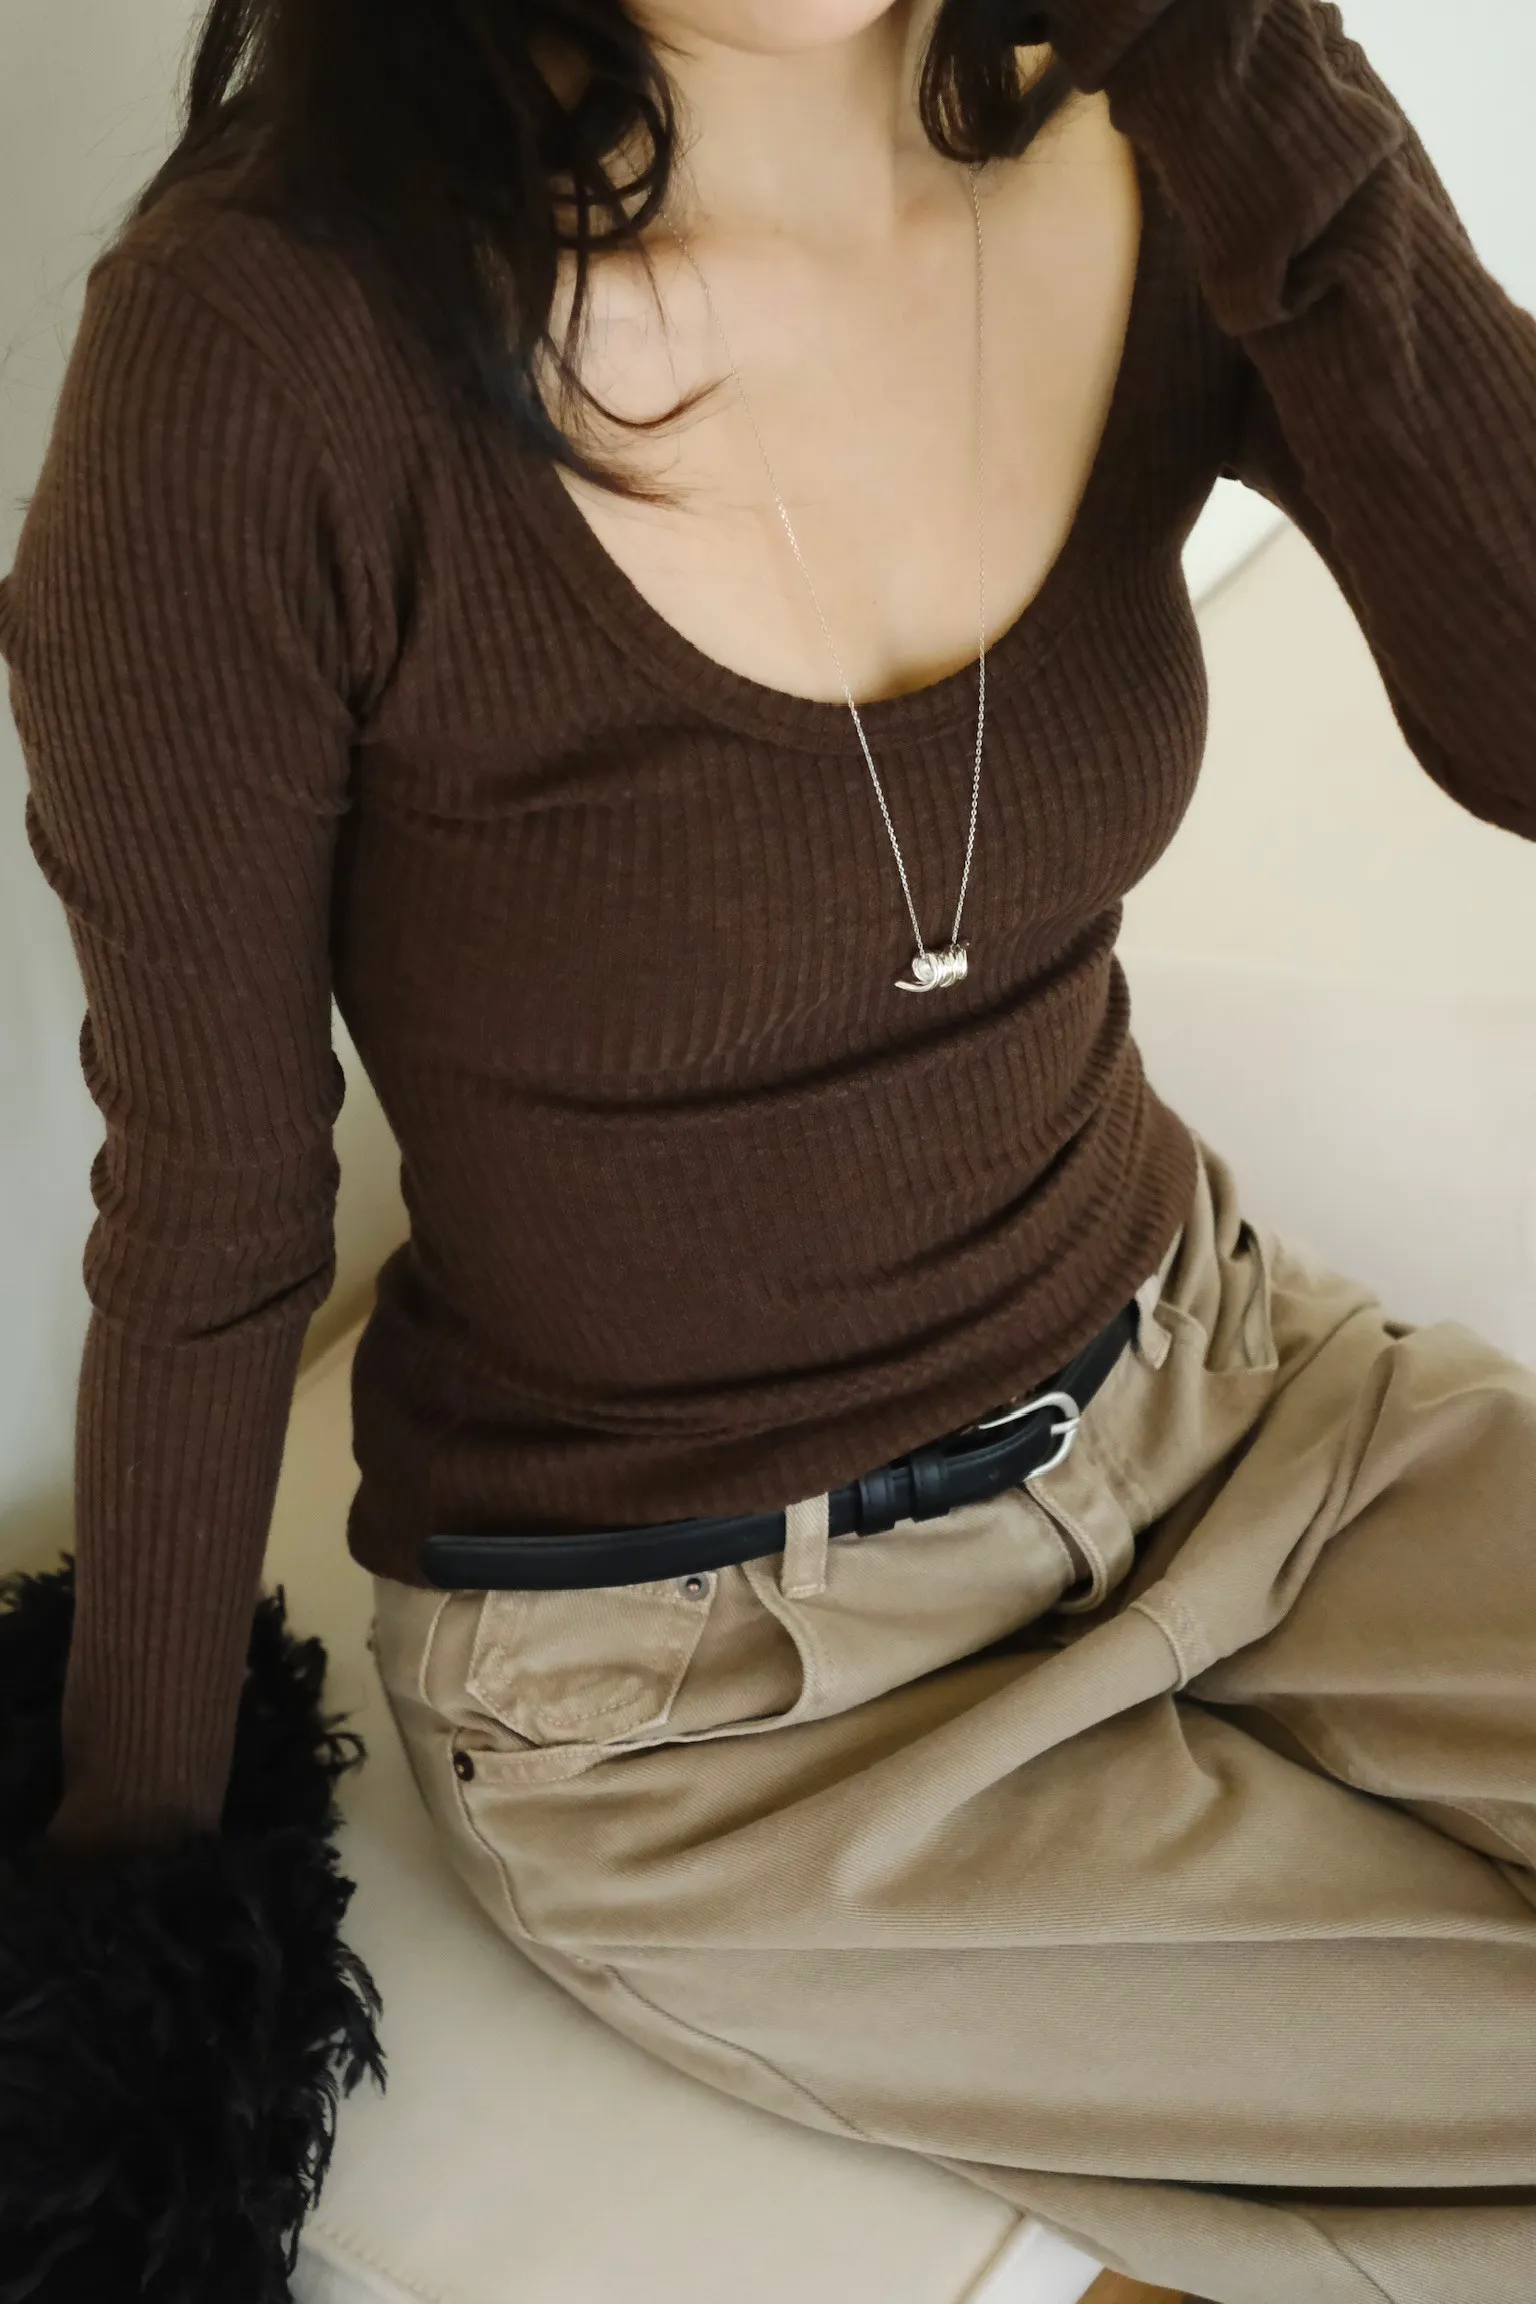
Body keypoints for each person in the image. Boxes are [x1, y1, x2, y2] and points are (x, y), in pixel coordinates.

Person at [1, 1, 1533, 2298]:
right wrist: (117, 1997)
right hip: (705, 1711)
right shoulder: (258, 356)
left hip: (1238, 1402)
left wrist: (1247, 65)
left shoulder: (1149, 133)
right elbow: (212, 1212)